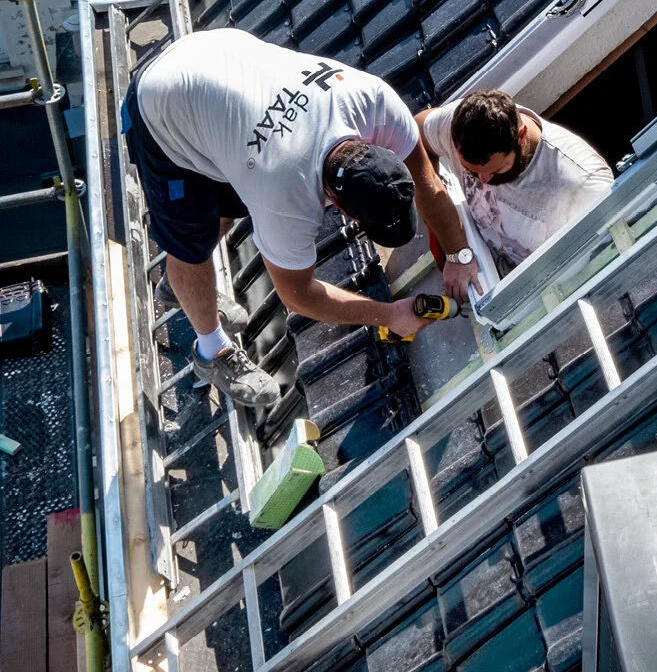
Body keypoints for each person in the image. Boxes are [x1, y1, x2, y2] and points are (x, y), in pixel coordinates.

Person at [122, 28, 479, 407]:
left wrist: (460, 255)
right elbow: (298, 295)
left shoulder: (374, 101)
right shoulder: (284, 191)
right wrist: (388, 314)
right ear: (337, 207)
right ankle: (212, 351)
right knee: (189, 244)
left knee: (224, 202)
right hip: (163, 104)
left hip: (218, 65)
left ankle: (189, 292)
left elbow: (428, 185)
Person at [416, 90, 613, 278]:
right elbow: (414, 137)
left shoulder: (582, 183)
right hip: (466, 261)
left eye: (495, 171)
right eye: (472, 171)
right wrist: (452, 241)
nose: (483, 180)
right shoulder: (460, 123)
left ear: (522, 136)